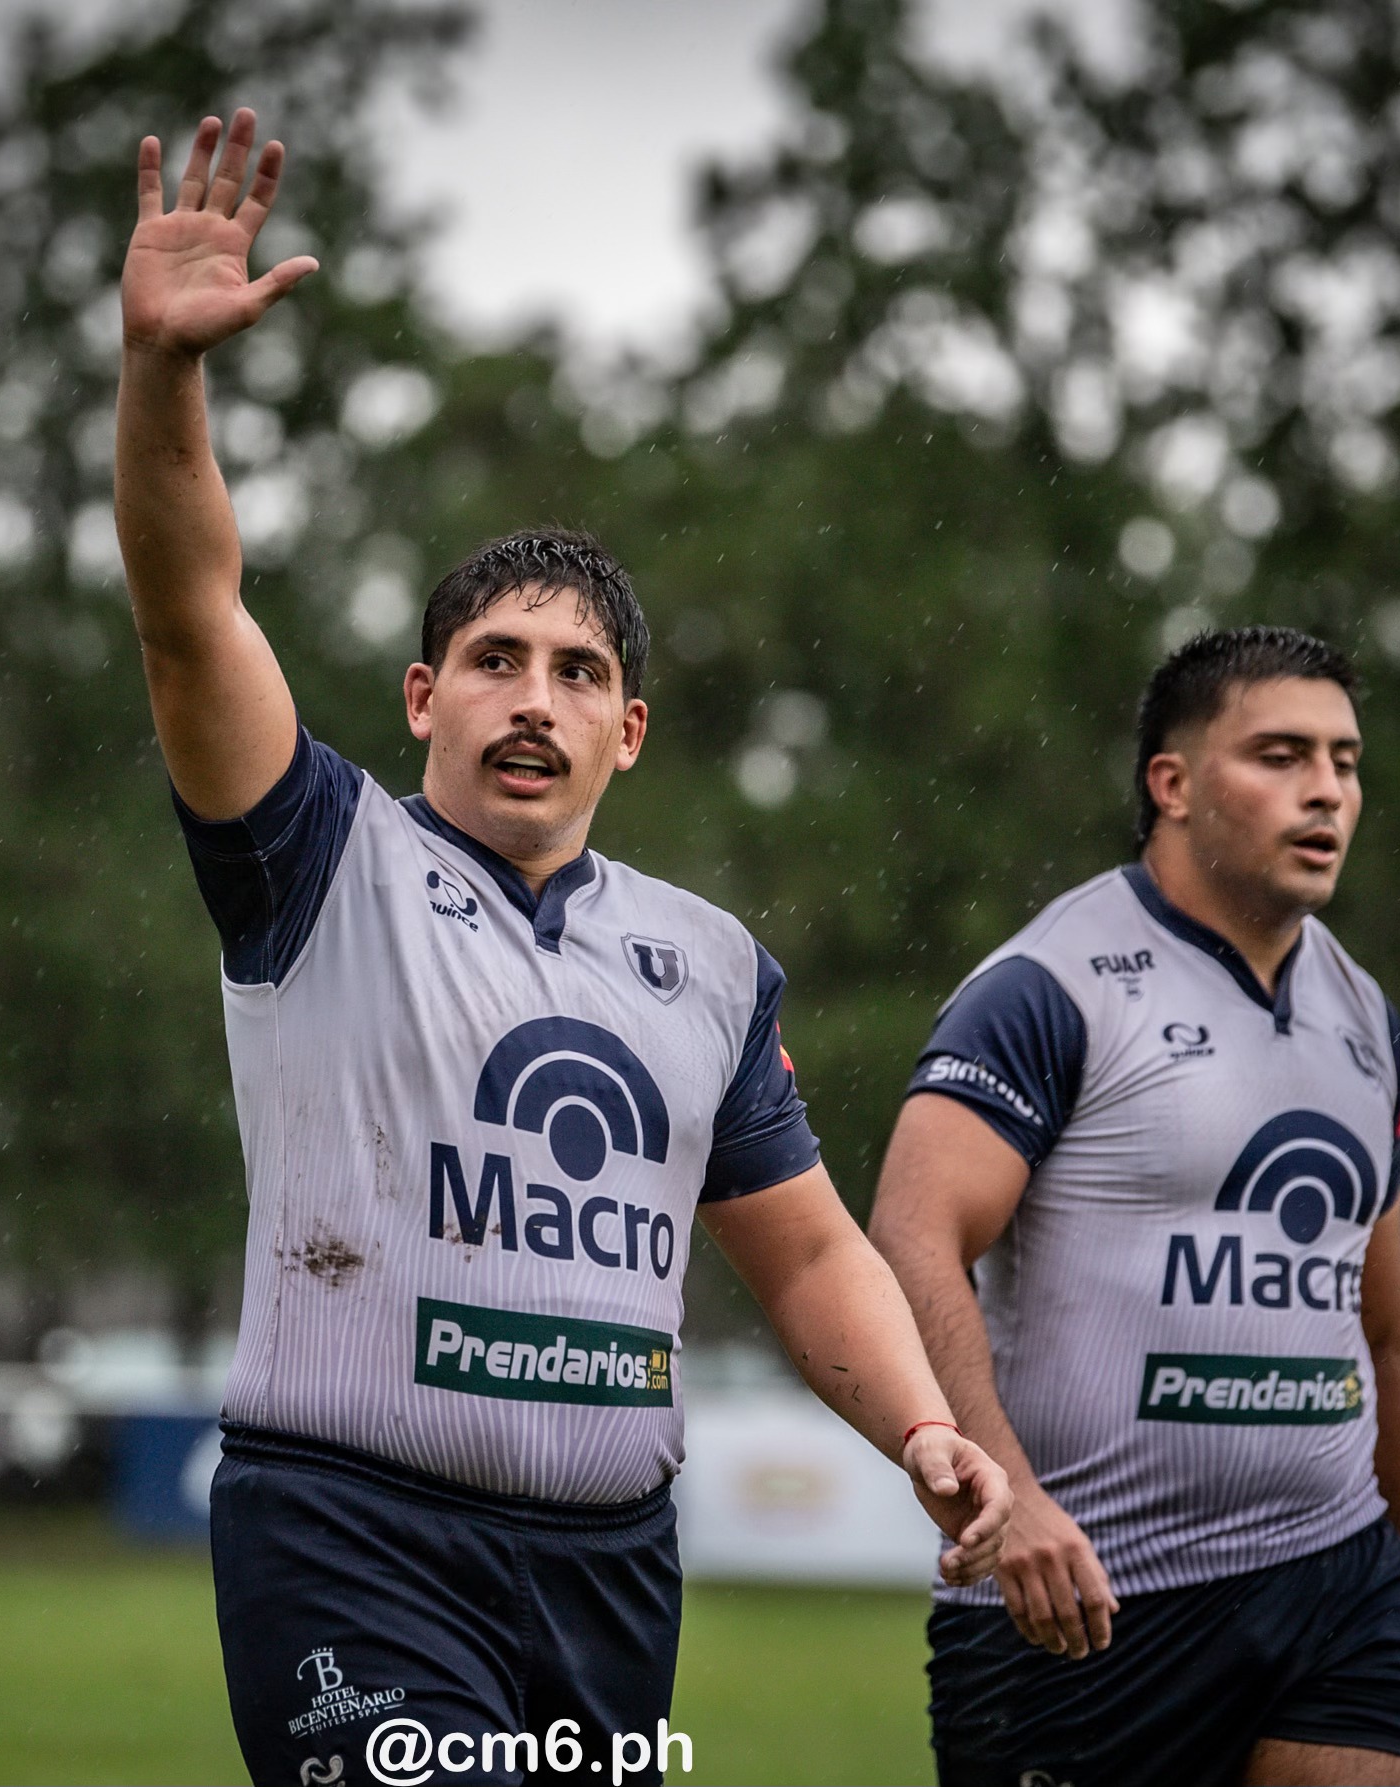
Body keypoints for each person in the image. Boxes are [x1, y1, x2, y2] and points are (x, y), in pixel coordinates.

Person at [114, 109, 1012, 1787]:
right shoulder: (317, 853)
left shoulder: (710, 965)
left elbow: (810, 1256)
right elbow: (188, 608)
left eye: (580, 671)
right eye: (497, 658)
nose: (536, 696)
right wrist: (164, 373)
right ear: (420, 697)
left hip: (615, 1577)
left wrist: (924, 1429)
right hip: (351, 1539)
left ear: (632, 731)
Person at [868, 627, 1400, 1787]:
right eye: (1281, 754)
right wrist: (1012, 1496)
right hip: (1084, 1609)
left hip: (1333, 1579)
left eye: (1344, 758)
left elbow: (1386, 1335)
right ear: (1171, 785)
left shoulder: (1365, 1014)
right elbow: (909, 1238)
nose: (1327, 787)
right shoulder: (1049, 986)